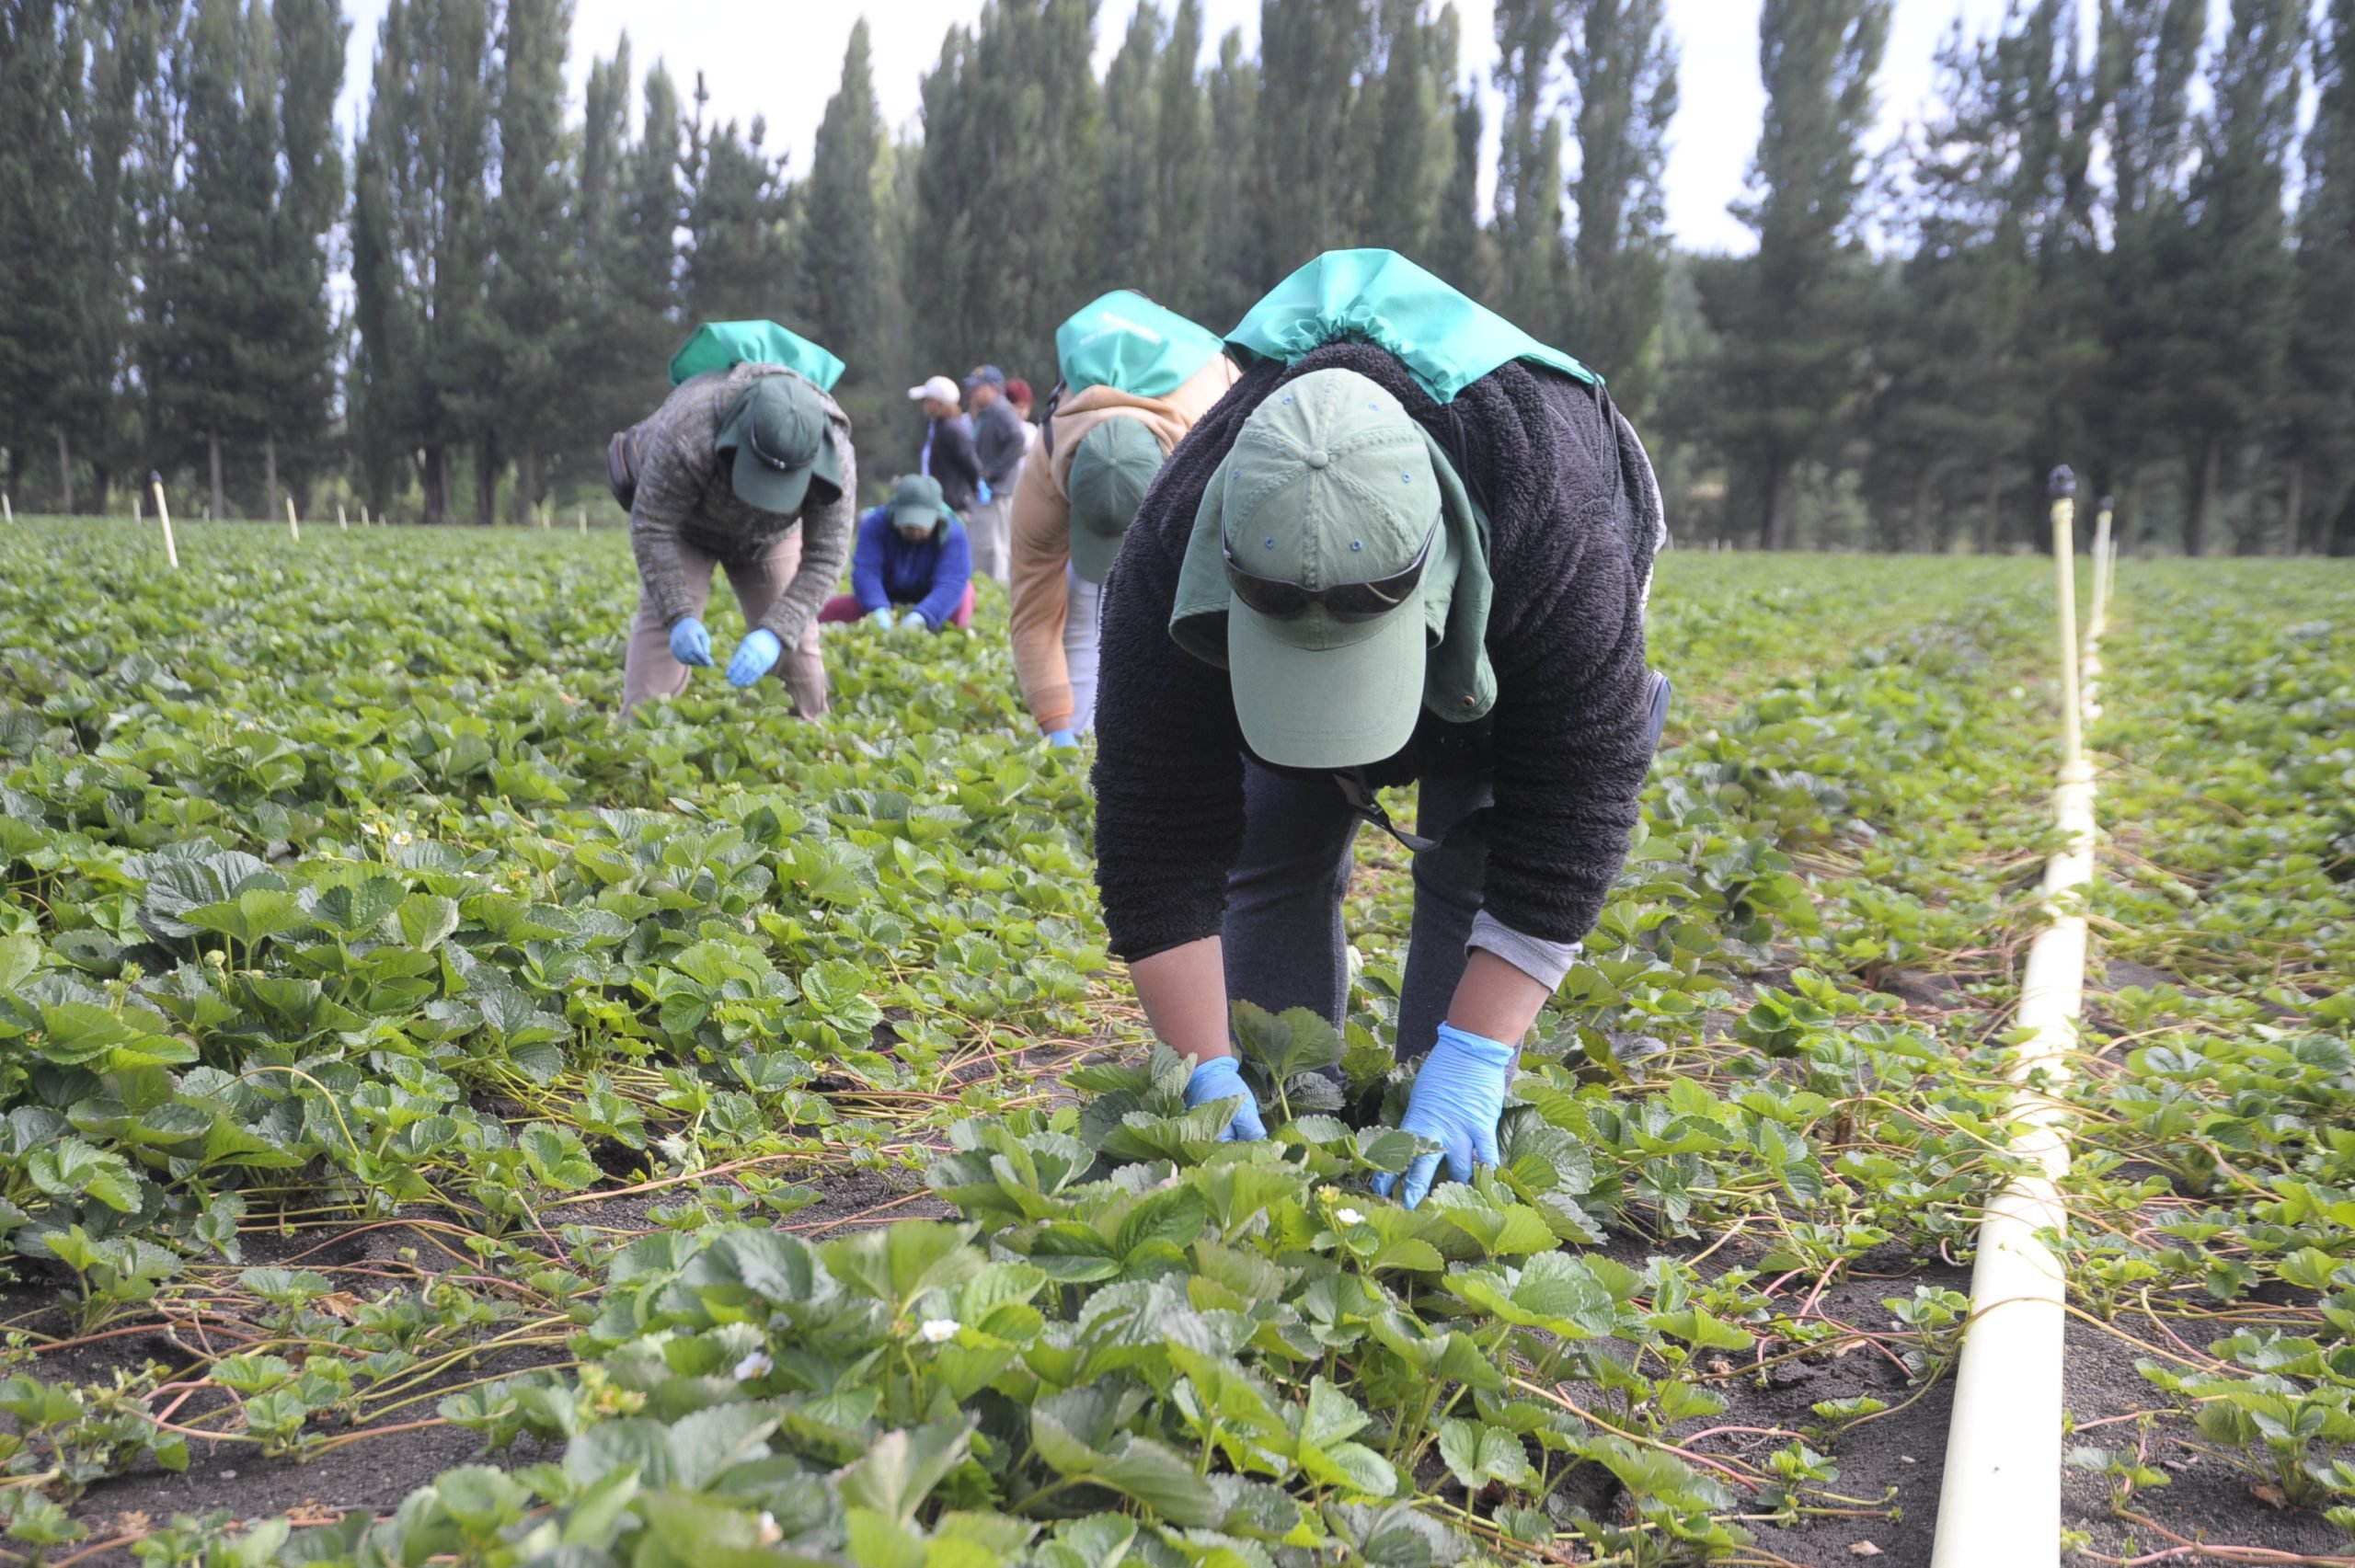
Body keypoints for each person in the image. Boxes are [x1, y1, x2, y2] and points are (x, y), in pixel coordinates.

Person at [1090, 249, 1671, 1210]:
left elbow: (1572, 805)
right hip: (1293, 573)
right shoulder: (1169, 541)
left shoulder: (1558, 523)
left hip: (1514, 607)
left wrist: (1472, 1056)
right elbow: (1155, 829)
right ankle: (1289, 1101)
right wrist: (1203, 1064)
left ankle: (1435, 1123)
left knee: (1473, 850)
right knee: (1273, 834)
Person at [1007, 292, 1237, 747]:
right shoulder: (1046, 461)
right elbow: (1033, 613)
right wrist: (1055, 725)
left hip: (1195, 462)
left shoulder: (1220, 432)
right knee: (1084, 611)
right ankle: (1082, 732)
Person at [613, 326, 855, 719]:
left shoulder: (836, 457)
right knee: (659, 639)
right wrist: (678, 616)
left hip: (772, 537)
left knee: (798, 650)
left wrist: (776, 633)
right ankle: (636, 749)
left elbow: (826, 556)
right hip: (686, 528)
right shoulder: (690, 427)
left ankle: (810, 749)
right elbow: (652, 524)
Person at [819, 475, 976, 632]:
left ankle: (945, 632)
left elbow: (951, 582)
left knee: (965, 594)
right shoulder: (875, 524)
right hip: (886, 598)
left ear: (936, 517)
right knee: (825, 612)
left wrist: (923, 616)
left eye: (921, 526)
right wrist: (877, 608)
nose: (914, 531)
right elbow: (866, 572)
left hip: (930, 599)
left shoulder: (953, 534)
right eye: (908, 524)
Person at [964, 365, 1028, 587]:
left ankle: (994, 589)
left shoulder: (1001, 410)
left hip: (996, 491)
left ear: (993, 388)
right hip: (990, 492)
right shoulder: (990, 411)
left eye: (977, 388)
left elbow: (1017, 440)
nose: (973, 393)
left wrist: (994, 471)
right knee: (987, 544)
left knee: (994, 547)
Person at [910, 374, 982, 516]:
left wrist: (974, 490)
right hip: (940, 504)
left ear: (939, 404)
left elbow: (971, 465)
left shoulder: (952, 429)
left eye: (927, 401)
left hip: (953, 507)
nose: (924, 405)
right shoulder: (938, 427)